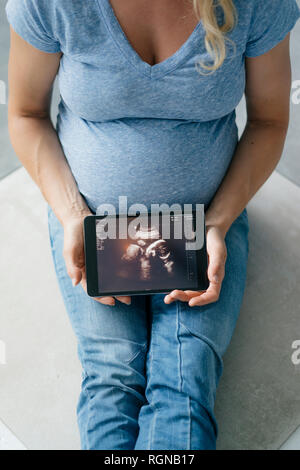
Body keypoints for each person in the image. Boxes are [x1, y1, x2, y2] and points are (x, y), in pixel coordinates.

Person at [5, 0, 300, 450]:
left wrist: (218, 223)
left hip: (206, 224)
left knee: (185, 377)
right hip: (91, 223)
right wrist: (72, 216)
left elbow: (270, 119)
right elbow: (25, 114)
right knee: (112, 373)